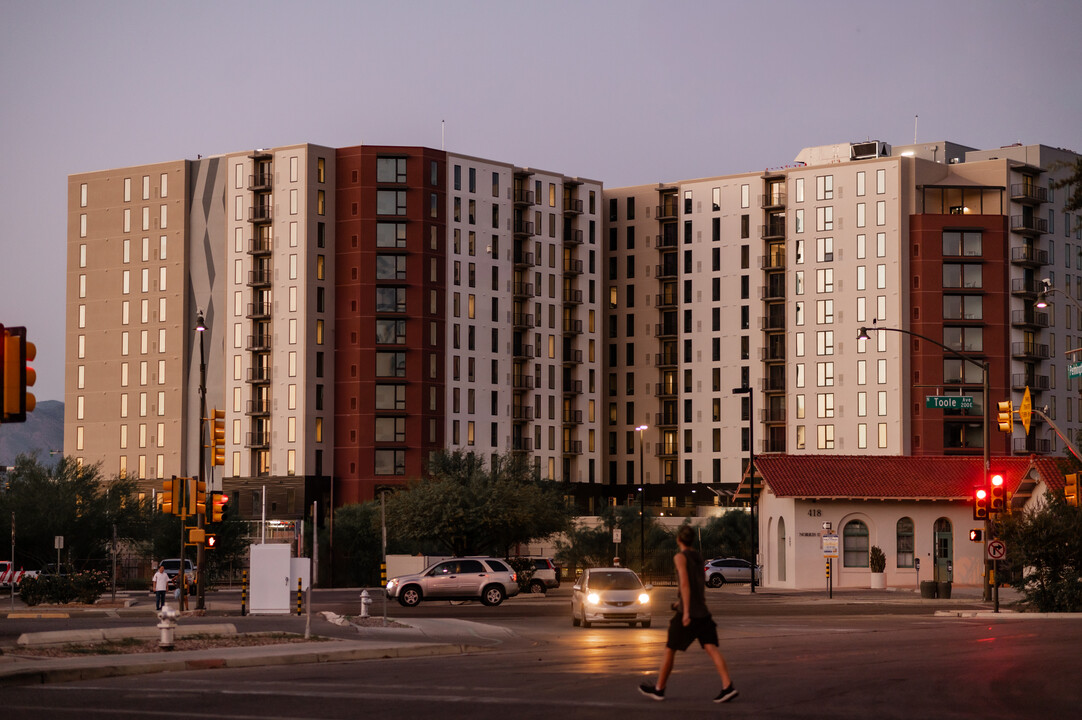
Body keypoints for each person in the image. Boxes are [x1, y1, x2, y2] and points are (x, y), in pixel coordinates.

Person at [639, 525, 738, 703]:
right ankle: (727, 686)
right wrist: (682, 602)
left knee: (670, 649)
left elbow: (685, 583)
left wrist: (684, 611)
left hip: (689, 613)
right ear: (692, 540)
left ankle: (659, 689)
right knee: (711, 648)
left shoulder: (680, 557)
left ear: (678, 540)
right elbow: (698, 584)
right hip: (702, 611)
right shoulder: (699, 557)